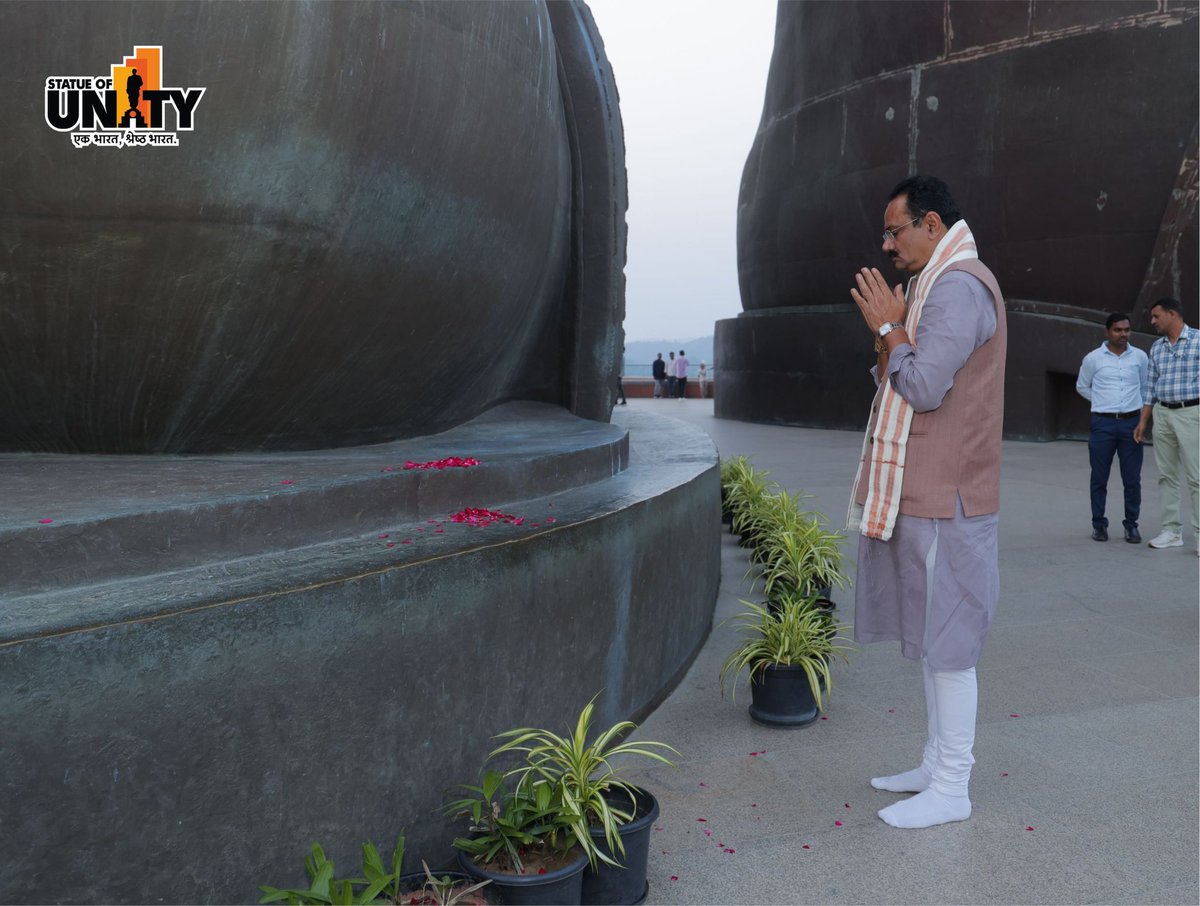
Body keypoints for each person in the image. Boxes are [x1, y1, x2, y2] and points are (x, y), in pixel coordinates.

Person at [847, 175, 1006, 830]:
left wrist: (889, 325)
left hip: (951, 495)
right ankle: (933, 763)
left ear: (932, 224)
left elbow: (921, 384)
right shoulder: (931, 289)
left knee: (950, 648)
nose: (887, 245)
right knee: (934, 640)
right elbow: (893, 373)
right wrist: (893, 330)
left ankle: (952, 785)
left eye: (895, 230)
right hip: (930, 492)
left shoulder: (960, 288)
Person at [1134, 298, 1199, 553]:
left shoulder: (1197, 340)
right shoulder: (1157, 347)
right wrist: (1143, 421)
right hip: (1163, 414)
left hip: (1192, 412)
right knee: (1166, 475)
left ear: (1172, 314)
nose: (1152, 322)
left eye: (1156, 316)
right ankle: (1172, 531)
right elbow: (1150, 386)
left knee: (1197, 477)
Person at [1076, 314, 1148, 543]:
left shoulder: (1139, 357)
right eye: (1118, 330)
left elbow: (1146, 387)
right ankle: (1099, 525)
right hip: (1103, 424)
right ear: (1107, 332)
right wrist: (1102, 402)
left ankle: (1131, 526)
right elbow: (1082, 387)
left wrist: (1139, 419)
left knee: (1132, 478)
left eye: (1126, 330)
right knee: (1099, 477)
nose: (1123, 334)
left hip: (1131, 424)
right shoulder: (1093, 359)